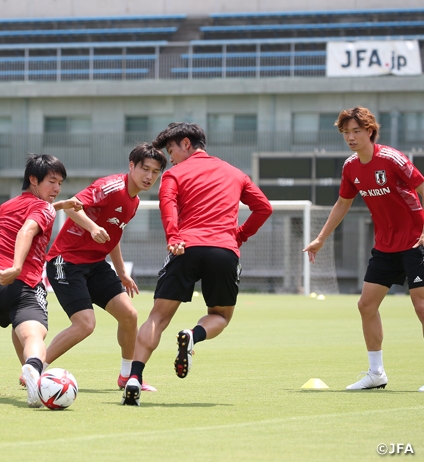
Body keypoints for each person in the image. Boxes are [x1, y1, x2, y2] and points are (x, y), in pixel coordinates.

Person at [122, 122, 273, 406]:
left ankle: (134, 378)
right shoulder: (235, 173)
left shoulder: (175, 174)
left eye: (172, 151)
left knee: (157, 318)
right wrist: (238, 235)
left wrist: (173, 237)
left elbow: (168, 207)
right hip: (224, 251)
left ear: (187, 144)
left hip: (185, 248)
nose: (171, 158)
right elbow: (264, 207)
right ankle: (193, 335)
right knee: (221, 316)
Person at [303, 107, 424, 392]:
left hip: (415, 240)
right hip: (385, 244)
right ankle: (376, 373)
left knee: (421, 306)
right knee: (366, 305)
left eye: (356, 131)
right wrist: (321, 238)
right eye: (345, 132)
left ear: (370, 131)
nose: (350, 137)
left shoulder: (392, 159)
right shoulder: (350, 167)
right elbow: (342, 203)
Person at [44, 143, 167, 392]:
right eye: (145, 169)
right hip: (65, 261)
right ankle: (35, 368)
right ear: (131, 166)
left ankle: (127, 377)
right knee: (85, 324)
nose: (149, 176)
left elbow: (113, 236)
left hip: (96, 265)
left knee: (130, 316)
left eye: (155, 172)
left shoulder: (133, 203)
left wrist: (121, 272)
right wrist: (92, 227)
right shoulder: (111, 186)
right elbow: (72, 205)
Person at [0, 154, 81, 408]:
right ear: (33, 180)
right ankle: (35, 369)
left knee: (20, 327)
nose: (57, 189)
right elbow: (27, 230)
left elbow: (29, 214)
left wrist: (60, 205)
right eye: (52, 182)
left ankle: (30, 375)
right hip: (21, 282)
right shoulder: (44, 208)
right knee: (36, 333)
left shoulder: (7, 206)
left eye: (60, 183)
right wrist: (16, 266)